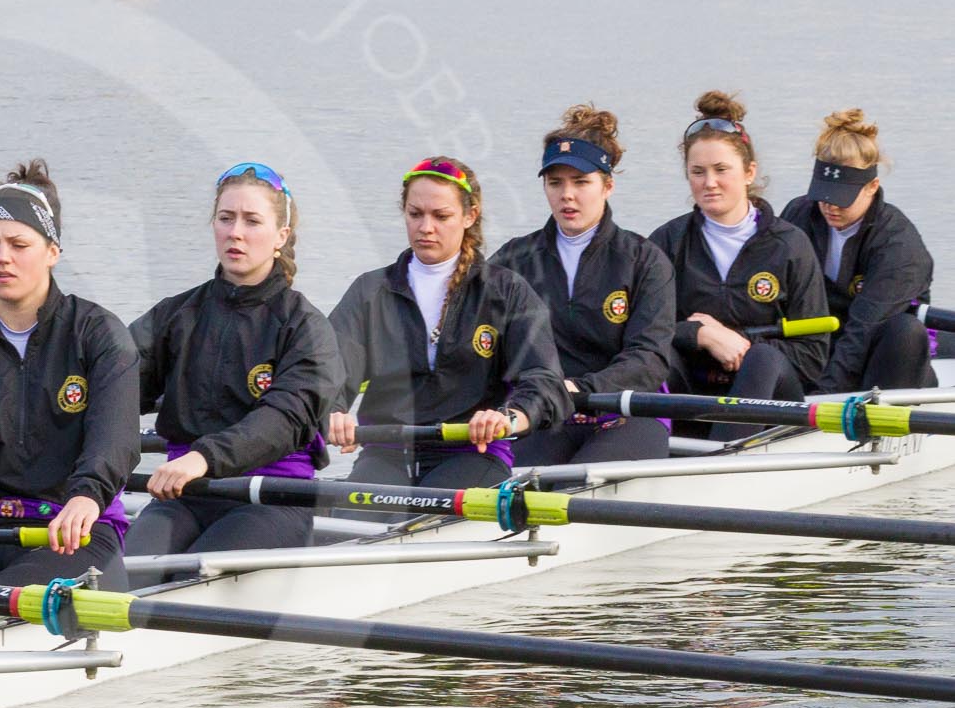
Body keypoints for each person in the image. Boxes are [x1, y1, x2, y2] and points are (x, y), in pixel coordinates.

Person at [0, 160, 141, 596]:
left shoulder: (98, 334)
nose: (2, 257)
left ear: (52, 251)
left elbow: (116, 438)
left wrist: (87, 495)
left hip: (75, 532)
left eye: (19, 243)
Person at [126, 162, 343, 555]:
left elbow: (284, 418)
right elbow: (112, 380)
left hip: (272, 497)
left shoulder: (305, 327)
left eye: (252, 221)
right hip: (185, 492)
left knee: (192, 574)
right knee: (132, 568)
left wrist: (204, 456)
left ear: (281, 236)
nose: (235, 232)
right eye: (226, 218)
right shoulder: (176, 315)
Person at [327, 155, 569, 488]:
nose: (426, 227)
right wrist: (332, 409)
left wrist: (509, 417)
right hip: (386, 453)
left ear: (470, 215)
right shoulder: (371, 292)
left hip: (472, 451)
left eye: (441, 216)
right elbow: (328, 368)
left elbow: (544, 380)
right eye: (415, 214)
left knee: (429, 516)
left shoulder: (505, 292)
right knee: (355, 522)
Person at [492, 105, 677, 466]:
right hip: (544, 411)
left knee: (578, 481)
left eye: (581, 182)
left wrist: (581, 389)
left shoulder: (645, 261)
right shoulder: (513, 261)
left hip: (626, 410)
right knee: (516, 484)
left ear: (608, 185)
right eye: (555, 182)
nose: (567, 195)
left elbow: (649, 358)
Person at [647, 91, 829, 435]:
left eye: (721, 170)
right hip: (694, 393)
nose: (709, 183)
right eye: (697, 171)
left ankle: (722, 462)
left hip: (772, 397)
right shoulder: (668, 242)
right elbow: (643, 333)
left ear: (749, 172)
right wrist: (701, 334)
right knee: (656, 359)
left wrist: (740, 344)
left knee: (762, 360)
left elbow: (813, 356)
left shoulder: (790, 245)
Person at [780, 108, 935, 392]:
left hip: (882, 361)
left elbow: (862, 332)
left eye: (841, 198)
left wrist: (820, 402)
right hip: (817, 349)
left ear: (872, 186)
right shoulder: (798, 215)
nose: (830, 206)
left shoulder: (899, 246)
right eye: (823, 195)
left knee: (906, 331)